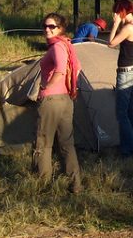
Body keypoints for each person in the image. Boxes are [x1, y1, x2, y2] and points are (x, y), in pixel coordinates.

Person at [34, 12, 83, 194]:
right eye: (45, 26)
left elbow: (61, 71)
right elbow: (77, 69)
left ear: (61, 28)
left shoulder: (56, 48)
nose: (47, 29)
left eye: (52, 26)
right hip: (66, 100)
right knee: (67, 143)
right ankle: (75, 184)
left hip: (52, 100)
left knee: (44, 143)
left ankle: (43, 185)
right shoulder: (67, 45)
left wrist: (45, 88)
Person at [108, 0, 133, 158]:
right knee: (131, 111)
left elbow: (111, 43)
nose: (115, 15)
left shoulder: (128, 28)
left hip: (125, 73)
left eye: (117, 12)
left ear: (122, 11)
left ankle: (128, 149)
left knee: (121, 113)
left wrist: (116, 24)